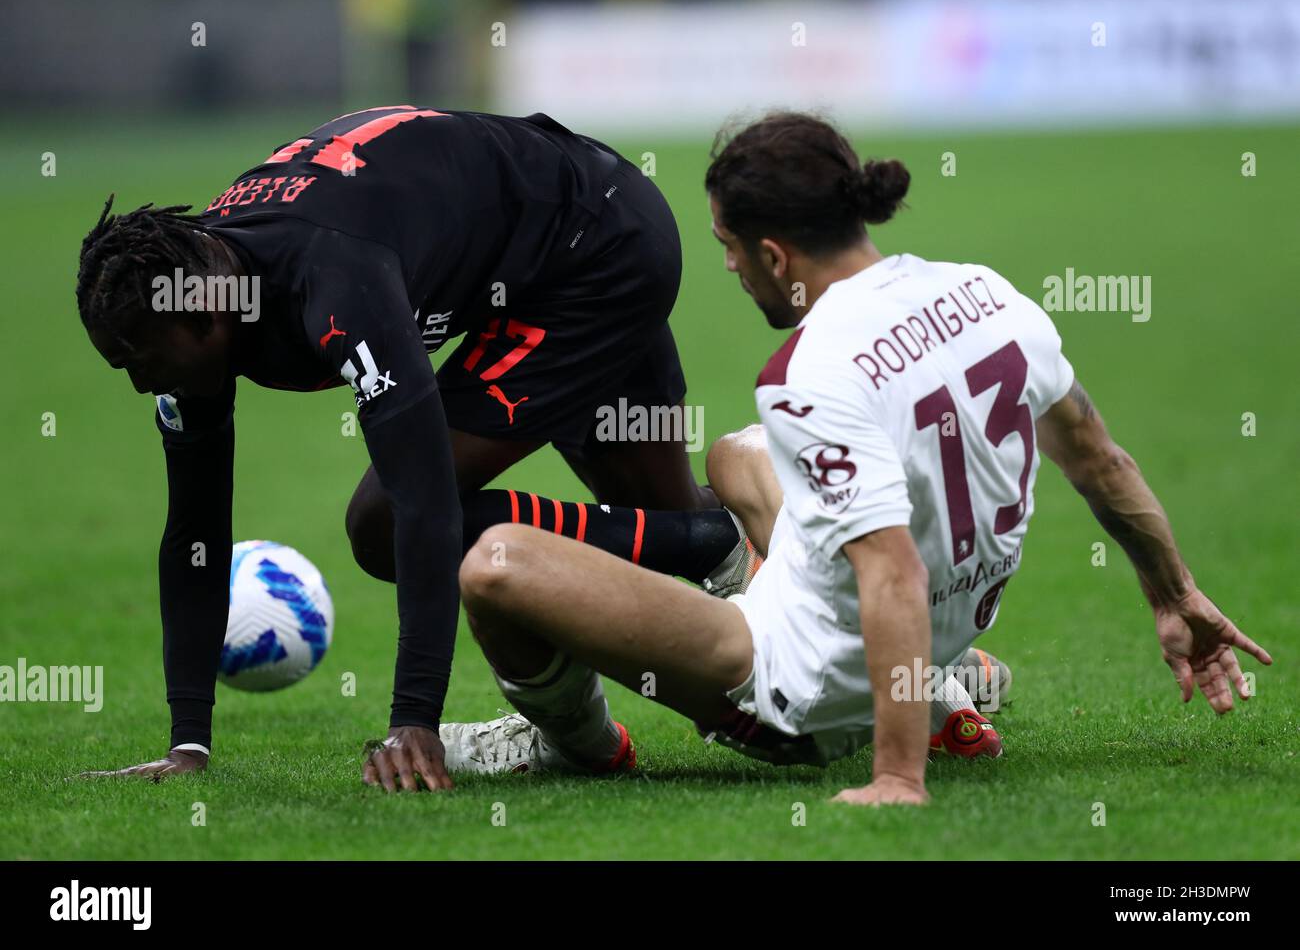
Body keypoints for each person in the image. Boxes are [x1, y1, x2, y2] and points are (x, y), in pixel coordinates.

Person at [437, 112, 1272, 805]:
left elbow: (893, 573)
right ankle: (935, 683)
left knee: (496, 565)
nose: (725, 265)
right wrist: (1176, 594)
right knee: (735, 457)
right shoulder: (987, 292)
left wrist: (897, 778)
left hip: (796, 689)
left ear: (774, 254)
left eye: (729, 245)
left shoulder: (806, 372)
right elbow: (1099, 458)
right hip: (949, 624)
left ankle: (576, 746)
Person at [74, 105, 722, 791]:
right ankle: (728, 539)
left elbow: (423, 502)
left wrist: (413, 721)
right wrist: (188, 746)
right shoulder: (199, 284)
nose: (141, 383)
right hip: (540, 240)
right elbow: (194, 535)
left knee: (382, 522)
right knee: (661, 514)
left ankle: (713, 548)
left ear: (204, 318)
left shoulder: (332, 279)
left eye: (140, 361)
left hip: (595, 245)